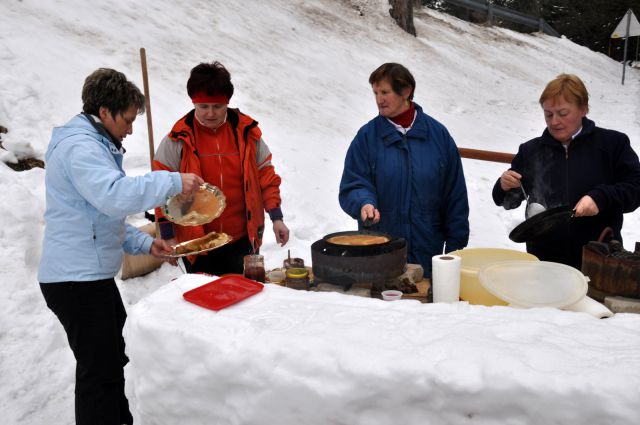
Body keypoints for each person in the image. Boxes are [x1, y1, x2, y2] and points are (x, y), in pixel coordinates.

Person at [37, 68, 203, 425]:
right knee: (100, 371)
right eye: (127, 120)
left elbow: (99, 217)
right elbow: (113, 197)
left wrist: (145, 243)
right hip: (75, 281)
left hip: (87, 276)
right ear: (105, 112)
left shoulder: (93, 144)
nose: (130, 128)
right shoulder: (80, 148)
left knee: (115, 357)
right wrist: (172, 181)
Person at [153, 61, 289, 276]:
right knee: (204, 302)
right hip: (198, 243)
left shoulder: (247, 134)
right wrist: (168, 234)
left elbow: (267, 177)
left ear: (227, 103)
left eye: (217, 106)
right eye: (203, 106)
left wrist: (277, 217)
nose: (210, 113)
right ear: (193, 103)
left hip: (242, 239)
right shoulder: (177, 141)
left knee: (242, 299)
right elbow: (160, 191)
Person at [493, 73, 640, 270]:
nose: (554, 122)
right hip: (544, 262)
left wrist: (601, 197)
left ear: (583, 109)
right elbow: (509, 200)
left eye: (563, 113)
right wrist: (504, 186)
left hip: (598, 259)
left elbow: (635, 189)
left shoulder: (612, 145)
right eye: (548, 114)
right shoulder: (531, 150)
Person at [339, 63, 470, 278]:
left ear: (406, 91)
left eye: (385, 92)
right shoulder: (367, 137)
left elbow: (455, 194)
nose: (379, 99)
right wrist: (364, 202)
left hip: (428, 251)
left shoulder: (438, 136)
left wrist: (455, 248)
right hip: (379, 251)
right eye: (375, 93)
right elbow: (354, 182)